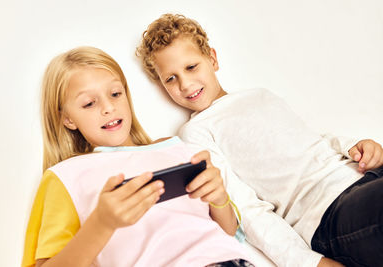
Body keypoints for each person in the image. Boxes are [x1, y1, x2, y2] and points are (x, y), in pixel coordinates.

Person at [136, 13, 383, 267]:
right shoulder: (196, 131)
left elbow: (312, 139)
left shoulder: (260, 95)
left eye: (191, 67)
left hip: (363, 175)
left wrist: (354, 145)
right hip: (330, 211)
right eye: (171, 78)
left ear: (212, 58)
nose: (186, 84)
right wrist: (308, 263)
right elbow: (246, 209)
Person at [21, 46, 256, 267]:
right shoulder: (66, 176)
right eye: (89, 103)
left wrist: (219, 196)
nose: (108, 108)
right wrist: (101, 224)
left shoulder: (178, 150)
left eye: (115, 93)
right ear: (67, 118)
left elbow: (228, 233)